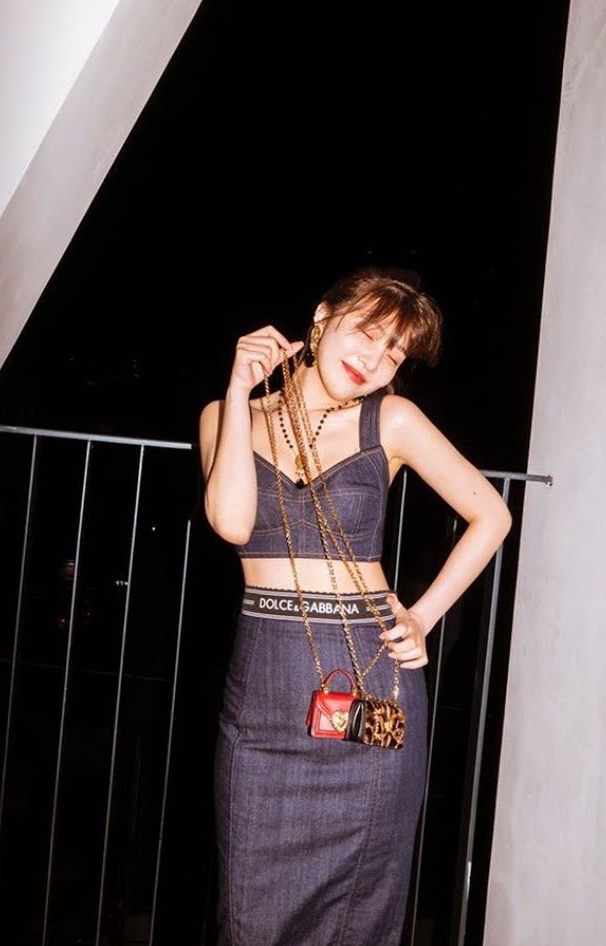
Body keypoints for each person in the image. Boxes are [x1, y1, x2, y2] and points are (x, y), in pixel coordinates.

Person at [198, 264, 513, 946]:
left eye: (394, 352)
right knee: (247, 915)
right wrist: (238, 389)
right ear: (321, 318)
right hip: (265, 693)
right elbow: (232, 522)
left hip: (371, 679)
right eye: (366, 333)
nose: (374, 359)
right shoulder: (226, 416)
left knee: (360, 914)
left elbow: (491, 515)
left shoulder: (391, 419)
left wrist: (423, 616)